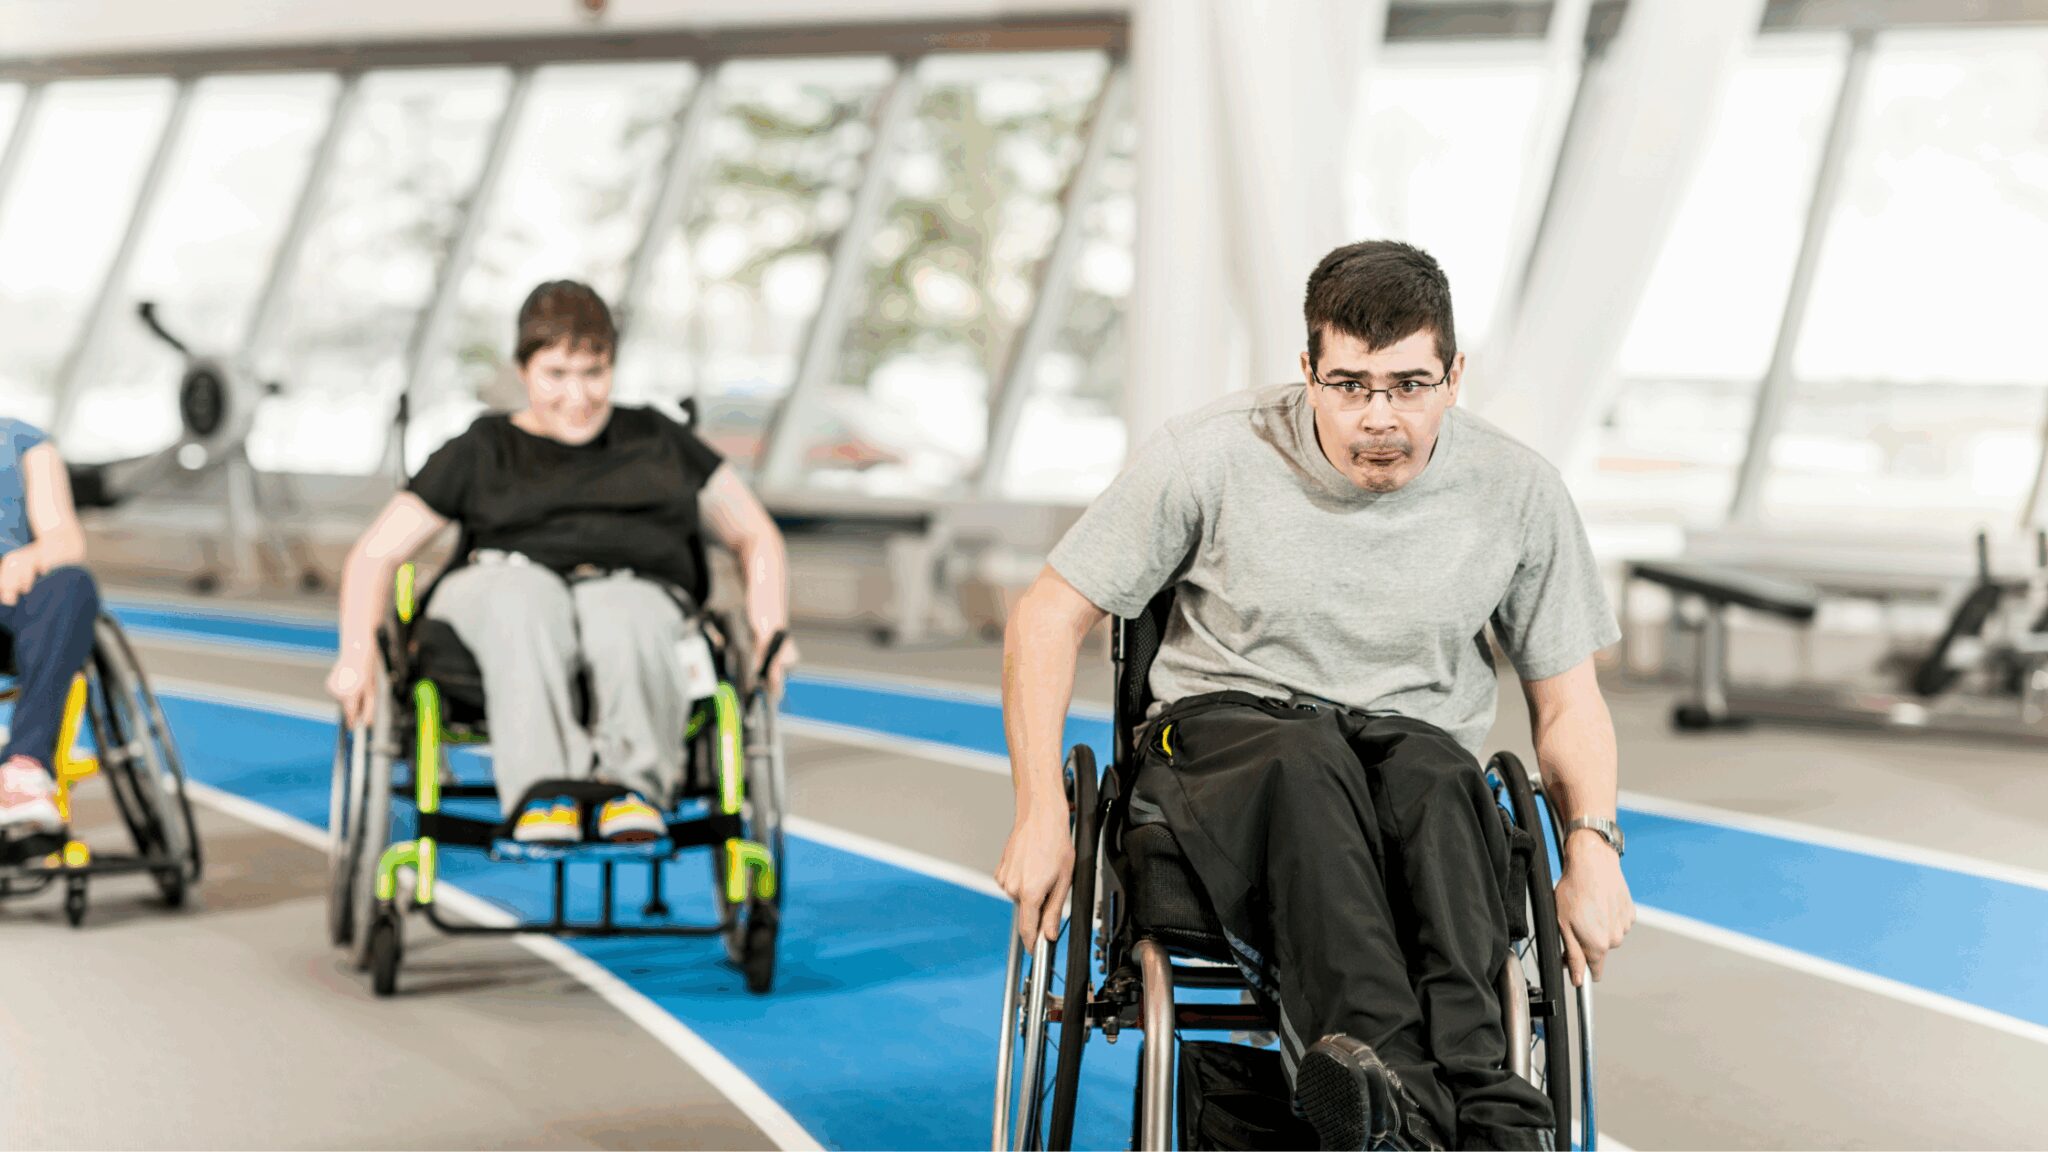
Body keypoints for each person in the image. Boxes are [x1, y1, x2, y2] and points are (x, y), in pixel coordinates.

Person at [996, 241, 1635, 1151]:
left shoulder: (1518, 489)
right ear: (1308, 372)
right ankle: (1402, 1117)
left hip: (1408, 747)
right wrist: (1036, 813)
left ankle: (1491, 1111)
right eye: (1350, 385)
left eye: (1410, 385)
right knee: (1306, 761)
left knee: (1438, 774)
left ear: (1456, 375)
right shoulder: (1209, 454)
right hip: (1228, 739)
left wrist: (1594, 842)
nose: (1380, 417)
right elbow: (1044, 619)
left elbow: (1569, 704)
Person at [325, 280, 797, 844]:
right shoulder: (483, 448)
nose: (577, 396)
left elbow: (755, 535)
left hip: (631, 590)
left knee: (624, 607)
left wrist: (772, 628)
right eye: (557, 375)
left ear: (613, 370)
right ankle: (544, 794)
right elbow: (376, 553)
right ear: (524, 371)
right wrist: (355, 655)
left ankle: (631, 790)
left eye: (593, 374)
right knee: (523, 598)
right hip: (502, 583)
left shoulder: (657, 439)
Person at [0, 419, 100, 837]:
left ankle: (24, 769)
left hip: (13, 602)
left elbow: (65, 539)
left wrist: (31, 556)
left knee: (71, 583)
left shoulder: (23, 441)